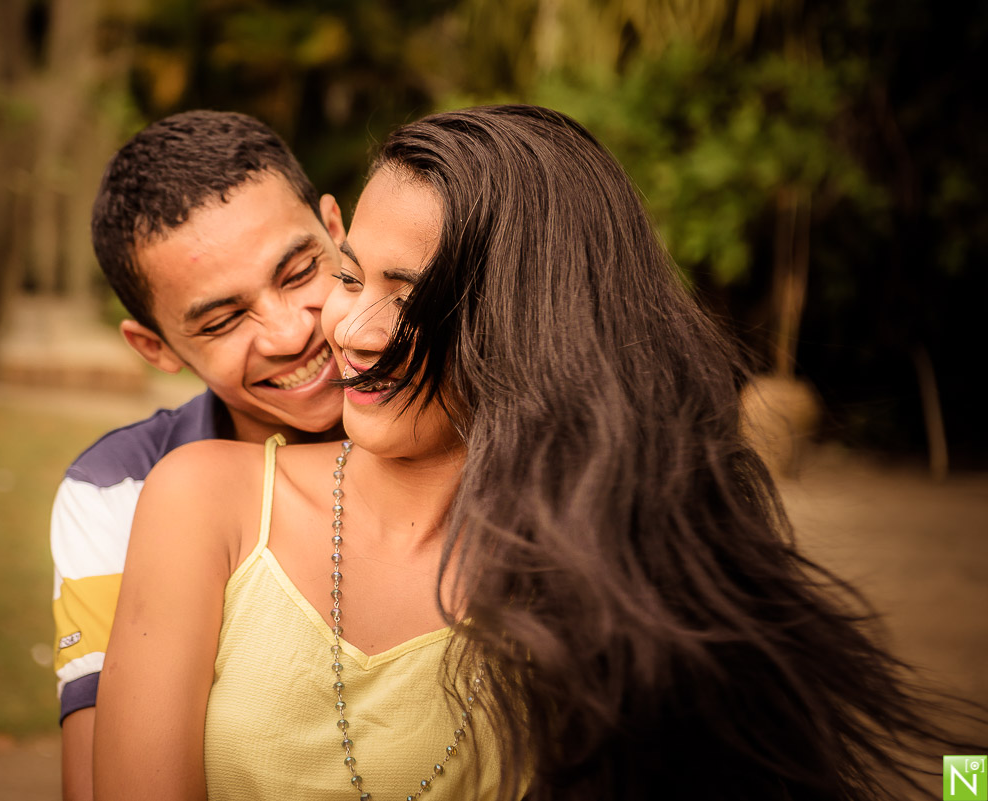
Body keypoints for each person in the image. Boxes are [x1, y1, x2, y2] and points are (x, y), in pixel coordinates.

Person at [94, 105, 973, 800]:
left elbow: (926, 768)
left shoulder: (618, 559)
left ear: (525, 320)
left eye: (409, 295)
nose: (347, 332)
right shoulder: (197, 498)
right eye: (353, 276)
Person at [51, 110, 347, 801]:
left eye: (300, 272)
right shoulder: (114, 491)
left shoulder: (460, 427)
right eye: (223, 319)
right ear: (155, 347)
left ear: (337, 232)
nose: (287, 333)